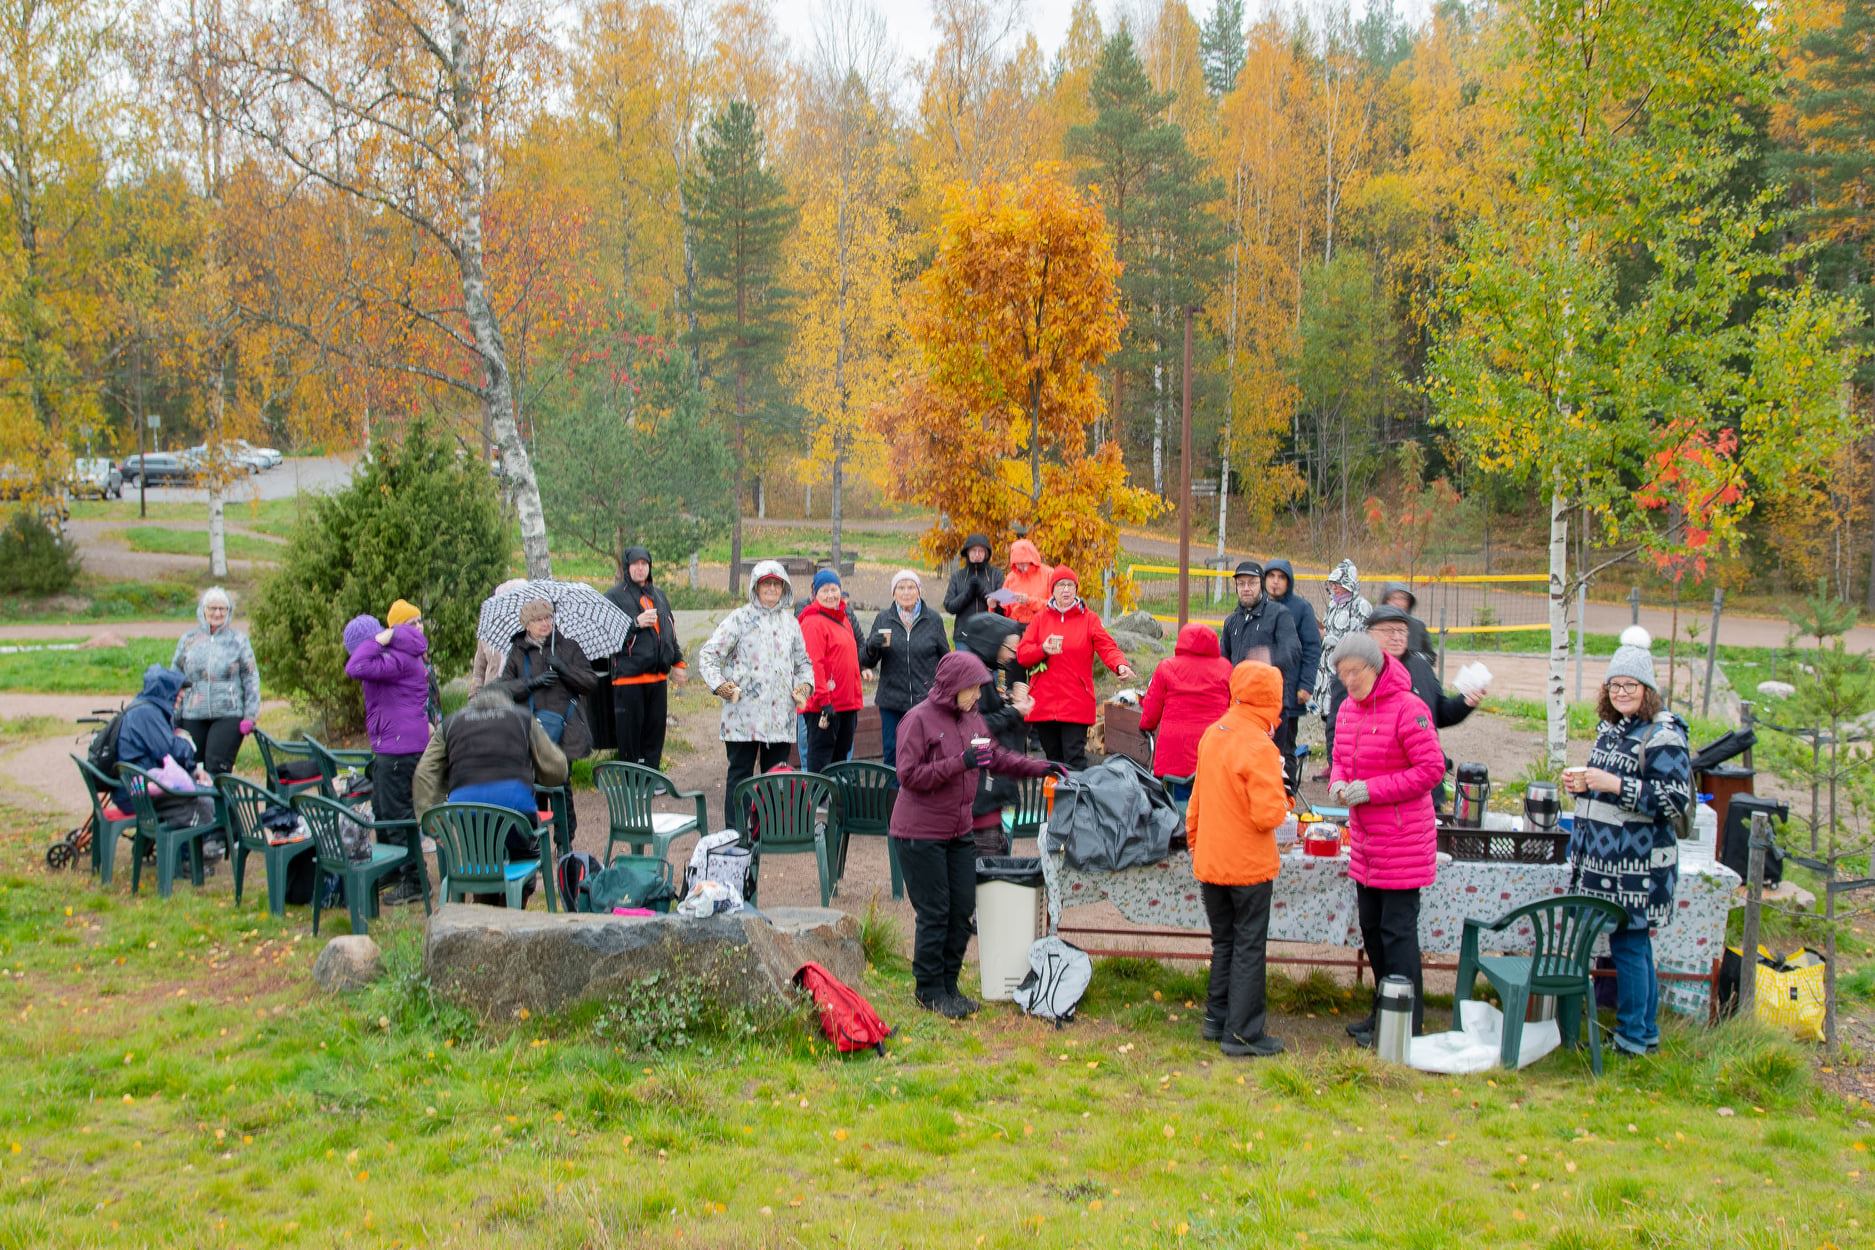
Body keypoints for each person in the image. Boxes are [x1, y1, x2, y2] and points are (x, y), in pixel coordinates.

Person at [890, 651, 1053, 1017]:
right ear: (953, 688)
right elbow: (909, 776)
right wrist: (959, 763)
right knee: (935, 912)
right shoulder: (918, 721)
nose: (978, 696)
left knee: (962, 909)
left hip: (958, 830)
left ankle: (949, 985)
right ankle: (928, 990)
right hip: (920, 832)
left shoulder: (972, 719)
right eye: (972, 690)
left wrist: (1043, 767)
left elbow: (996, 756)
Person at [1562, 627, 1689, 1058]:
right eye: (1614, 685)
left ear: (1647, 689)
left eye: (1629, 685)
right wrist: (1583, 787)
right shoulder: (1612, 730)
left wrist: (1614, 784)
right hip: (1606, 865)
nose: (1621, 692)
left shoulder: (1664, 735)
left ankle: (1635, 1035)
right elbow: (1608, 792)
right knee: (1630, 945)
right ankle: (1643, 1031)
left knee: (1631, 946)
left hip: (1639, 869)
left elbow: (1673, 801)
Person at [1329, 632, 1444, 1042]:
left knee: (1398, 936)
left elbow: (1431, 770)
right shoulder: (1346, 710)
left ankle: (1406, 1022)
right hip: (1365, 842)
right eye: (1342, 675)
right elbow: (1340, 758)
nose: (1349, 682)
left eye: (1354, 673)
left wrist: (1371, 790)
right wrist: (1340, 782)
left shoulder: (1408, 708)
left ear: (1374, 667)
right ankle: (1383, 1011)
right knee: (1373, 931)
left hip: (1402, 841)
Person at [1186, 661, 1290, 1058]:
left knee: (1225, 942)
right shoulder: (1259, 745)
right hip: (1248, 865)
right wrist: (1285, 798)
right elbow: (1268, 815)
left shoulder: (1214, 734)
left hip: (1212, 860)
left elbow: (1195, 802)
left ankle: (1217, 1019)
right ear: (1272, 699)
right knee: (1248, 945)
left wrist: (1197, 844)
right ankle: (1243, 1033)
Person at [413, 684, 568, 905]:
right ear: (509, 704)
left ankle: (484, 905)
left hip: (467, 819)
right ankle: (516, 901)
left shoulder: (451, 724)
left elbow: (424, 774)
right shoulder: (522, 719)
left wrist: (430, 820)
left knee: (477, 855)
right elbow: (557, 769)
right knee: (524, 855)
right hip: (515, 815)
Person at [696, 560, 815, 826]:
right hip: (743, 716)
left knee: (774, 778)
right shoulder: (739, 619)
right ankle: (736, 834)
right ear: (756, 587)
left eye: (776, 584)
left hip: (780, 717)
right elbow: (709, 655)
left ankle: (767, 831)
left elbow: (803, 662)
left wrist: (805, 685)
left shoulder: (790, 623)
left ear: (783, 587)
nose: (771, 588)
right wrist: (720, 685)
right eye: (766, 583)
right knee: (740, 776)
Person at [344, 612, 433, 904]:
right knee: (383, 810)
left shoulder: (395, 659)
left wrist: (375, 640)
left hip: (400, 747)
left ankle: (415, 880)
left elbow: (354, 666)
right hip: (391, 744)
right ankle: (393, 869)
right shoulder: (391, 658)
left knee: (398, 816)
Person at [1362, 604, 1485, 809]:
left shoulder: (1420, 667)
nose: (1396, 636)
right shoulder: (1361, 671)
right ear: (1369, 634)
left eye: (1401, 630)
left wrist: (1465, 702)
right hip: (1381, 787)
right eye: (1388, 630)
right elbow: (1342, 728)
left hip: (1426, 786)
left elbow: (1441, 714)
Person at [1014, 566, 1135, 769]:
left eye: (1070, 585)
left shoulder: (1089, 619)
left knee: (1074, 761)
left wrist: (1120, 665)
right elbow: (1022, 655)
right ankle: (1056, 800)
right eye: (1061, 585)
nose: (1066, 590)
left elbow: (1107, 646)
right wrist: (1043, 649)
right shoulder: (1040, 618)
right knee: (1052, 760)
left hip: (1075, 701)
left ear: (1076, 589)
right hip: (1045, 701)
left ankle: (1075, 800)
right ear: (1052, 590)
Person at [954, 613, 1034, 854]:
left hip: (1000, 778)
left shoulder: (995, 670)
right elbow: (975, 725)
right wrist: (1013, 712)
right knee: (988, 848)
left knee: (1002, 836)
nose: (1013, 655)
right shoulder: (973, 676)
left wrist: (1014, 706)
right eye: (1010, 647)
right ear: (993, 643)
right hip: (985, 783)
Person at [604, 548, 686, 769]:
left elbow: (669, 633)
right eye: (635, 564)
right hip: (629, 680)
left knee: (654, 735)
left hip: (657, 678)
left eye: (644, 564)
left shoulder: (658, 595)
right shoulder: (614, 596)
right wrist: (635, 623)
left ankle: (652, 779)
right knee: (630, 738)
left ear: (650, 567)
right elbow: (607, 634)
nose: (640, 568)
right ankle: (632, 784)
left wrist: (678, 662)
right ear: (627, 568)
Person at [863, 569, 950, 768]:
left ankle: (923, 797)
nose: (906, 592)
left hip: (925, 702)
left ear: (919, 591)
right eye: (900, 588)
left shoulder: (933, 619)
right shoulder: (883, 619)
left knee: (925, 753)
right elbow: (867, 662)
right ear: (893, 593)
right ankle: (895, 797)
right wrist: (871, 647)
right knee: (893, 754)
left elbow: (946, 660)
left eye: (911, 587)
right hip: (892, 701)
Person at [116, 664, 218, 832]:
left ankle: (211, 841)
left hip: (136, 786)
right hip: (138, 792)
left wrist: (192, 768)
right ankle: (198, 848)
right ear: (166, 690)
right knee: (207, 797)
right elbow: (169, 750)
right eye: (179, 690)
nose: (183, 694)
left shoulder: (146, 708)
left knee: (206, 787)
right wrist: (187, 743)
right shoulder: (148, 714)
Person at [172, 586, 260, 777]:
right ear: (203, 610)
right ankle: (196, 807)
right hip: (193, 713)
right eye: (212, 608)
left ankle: (221, 807)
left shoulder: (238, 640)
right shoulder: (188, 640)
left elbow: (250, 676)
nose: (217, 613)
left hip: (228, 713)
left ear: (229, 612)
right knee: (190, 766)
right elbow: (175, 676)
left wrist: (250, 716)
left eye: (223, 609)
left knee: (216, 767)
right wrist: (173, 713)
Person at [1137, 623, 1232, 798]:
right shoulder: (1225, 668)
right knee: (1210, 805)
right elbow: (1232, 707)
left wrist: (1146, 725)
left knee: (1173, 806)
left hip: (1174, 752)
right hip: (1213, 748)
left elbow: (1152, 705)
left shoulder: (1167, 667)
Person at [496, 598, 597, 757]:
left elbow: (590, 682)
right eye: (538, 619)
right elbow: (503, 689)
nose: (545, 623)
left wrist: (564, 669)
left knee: (563, 778)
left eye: (548, 617)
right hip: (530, 728)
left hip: (566, 728)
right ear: (527, 625)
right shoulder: (518, 652)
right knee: (532, 778)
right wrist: (532, 683)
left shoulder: (569, 647)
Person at [799, 570, 863, 773]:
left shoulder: (843, 618)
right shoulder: (812, 622)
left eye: (834, 589)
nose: (830, 595)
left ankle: (836, 803)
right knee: (821, 761)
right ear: (815, 594)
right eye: (824, 590)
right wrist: (823, 700)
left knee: (839, 761)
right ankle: (819, 803)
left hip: (845, 703)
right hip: (825, 707)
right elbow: (813, 664)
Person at [1216, 560, 1301, 714]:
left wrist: (1269, 659)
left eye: (1252, 583)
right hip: (1239, 704)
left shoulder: (1279, 614)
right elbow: (1224, 662)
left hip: (1271, 705)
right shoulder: (1231, 622)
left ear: (1261, 584)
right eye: (1241, 584)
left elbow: (1293, 651)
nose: (1246, 588)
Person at [1314, 559, 1372, 774]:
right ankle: (1332, 762)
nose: (1335, 587)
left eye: (1339, 583)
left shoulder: (1361, 606)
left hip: (1349, 668)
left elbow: (1361, 636)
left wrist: (1335, 640)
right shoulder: (1333, 604)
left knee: (1345, 716)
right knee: (1328, 716)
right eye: (1333, 583)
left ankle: (1348, 762)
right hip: (1327, 667)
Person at [1264, 559, 1320, 778]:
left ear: (1289, 581)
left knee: (1285, 747)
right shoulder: (1256, 606)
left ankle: (1286, 797)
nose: (1276, 582)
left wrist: (1306, 685)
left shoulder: (1301, 609)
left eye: (1281, 577)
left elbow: (1312, 648)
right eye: (1271, 576)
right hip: (1260, 691)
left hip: (1289, 690)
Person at [386, 599, 444, 730]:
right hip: (416, 731)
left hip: (434, 725)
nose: (419, 626)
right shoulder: (398, 657)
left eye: (420, 621)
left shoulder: (421, 653)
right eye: (412, 623)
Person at [469, 578, 529, 695]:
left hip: (522, 700)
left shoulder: (531, 633)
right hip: (491, 698)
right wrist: (474, 698)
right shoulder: (488, 633)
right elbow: (479, 671)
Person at [943, 533, 1001, 640]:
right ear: (967, 552)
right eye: (974, 550)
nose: (977, 554)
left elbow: (1003, 608)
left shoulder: (995, 575)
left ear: (986, 554)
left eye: (981, 551)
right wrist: (969, 591)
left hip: (990, 637)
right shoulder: (958, 576)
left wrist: (985, 594)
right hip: (963, 636)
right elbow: (950, 607)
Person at [1379, 582, 1435, 668]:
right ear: (1385, 601)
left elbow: (1431, 657)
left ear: (1408, 602)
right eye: (1394, 598)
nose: (1398, 602)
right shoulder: (1377, 625)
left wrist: (1412, 659)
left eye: (1402, 598)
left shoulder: (1418, 626)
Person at [1001, 538, 1052, 626]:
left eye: (1024, 563)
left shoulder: (1048, 574)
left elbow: (1054, 605)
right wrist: (993, 604)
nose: (1020, 566)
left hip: (1042, 625)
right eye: (1017, 563)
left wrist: (1029, 601)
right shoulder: (1011, 577)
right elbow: (1004, 611)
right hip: (1015, 627)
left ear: (1032, 559)